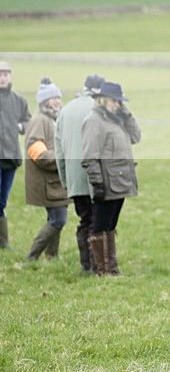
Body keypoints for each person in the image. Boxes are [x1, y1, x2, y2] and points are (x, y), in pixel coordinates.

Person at [81, 81, 140, 276]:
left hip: (120, 182)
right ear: (103, 99)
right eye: (115, 101)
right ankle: (103, 269)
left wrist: (126, 114)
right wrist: (97, 182)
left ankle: (112, 268)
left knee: (111, 224)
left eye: (120, 101)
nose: (117, 105)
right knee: (101, 225)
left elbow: (136, 136)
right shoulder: (94, 120)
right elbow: (90, 155)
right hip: (106, 183)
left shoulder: (116, 118)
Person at [56, 74, 105, 273]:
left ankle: (86, 265)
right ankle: (98, 265)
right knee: (98, 219)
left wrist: (66, 181)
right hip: (97, 176)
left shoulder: (65, 111)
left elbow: (59, 152)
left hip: (75, 178)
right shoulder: (99, 110)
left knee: (84, 218)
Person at [25, 78, 69, 261]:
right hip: (46, 182)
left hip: (55, 181)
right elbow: (35, 149)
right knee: (58, 219)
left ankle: (52, 257)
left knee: (58, 219)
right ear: (44, 101)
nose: (57, 101)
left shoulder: (53, 118)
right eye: (53, 98)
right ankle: (32, 256)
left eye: (58, 97)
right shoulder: (40, 120)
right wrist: (61, 157)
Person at [0, 60, 31, 249]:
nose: (2, 78)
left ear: (10, 76)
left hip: (10, 158)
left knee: (2, 202)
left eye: (5, 74)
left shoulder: (19, 100)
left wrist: (21, 126)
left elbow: (28, 120)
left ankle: (3, 242)